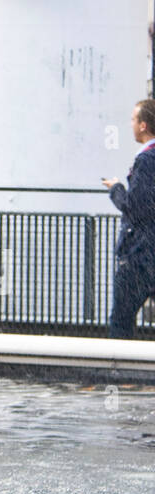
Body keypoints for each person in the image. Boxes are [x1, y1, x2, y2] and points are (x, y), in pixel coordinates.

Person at [103, 100, 155, 339]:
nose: (131, 124)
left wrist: (116, 188)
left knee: (121, 320)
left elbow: (134, 208)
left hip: (141, 255)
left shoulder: (146, 161)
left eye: (133, 120)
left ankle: (121, 374)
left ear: (143, 125)